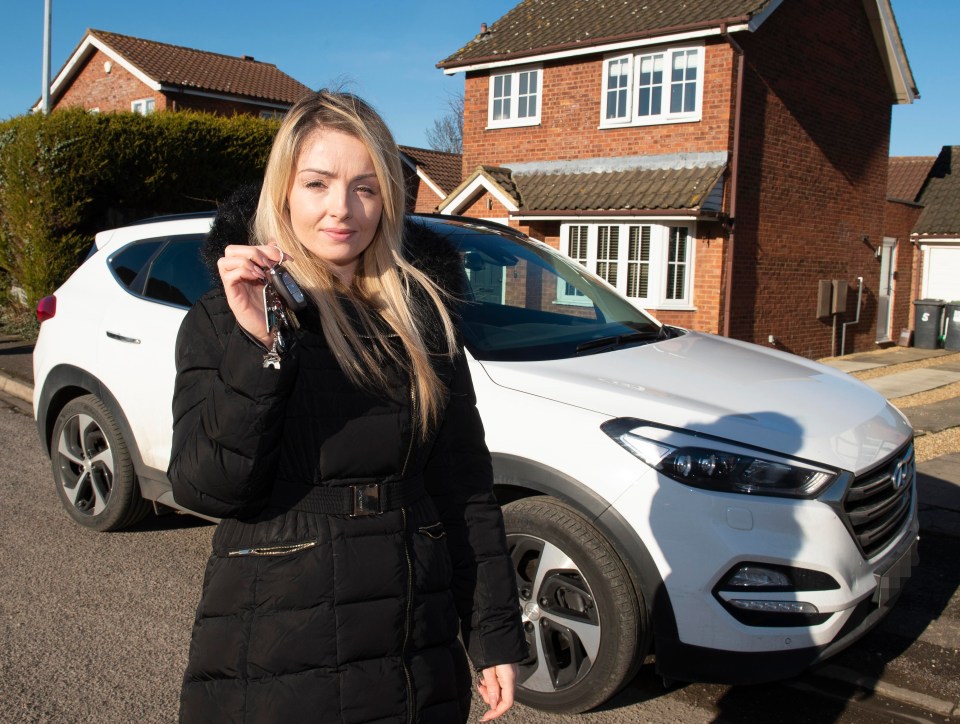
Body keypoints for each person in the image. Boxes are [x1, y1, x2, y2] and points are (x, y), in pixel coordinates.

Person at [168, 90, 526, 723]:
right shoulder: (226, 318)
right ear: (283, 192)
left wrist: (493, 630)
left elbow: (464, 485)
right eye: (317, 183)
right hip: (281, 634)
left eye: (365, 187)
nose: (341, 209)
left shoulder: (424, 320)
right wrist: (262, 346)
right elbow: (208, 487)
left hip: (413, 631)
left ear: (388, 197)